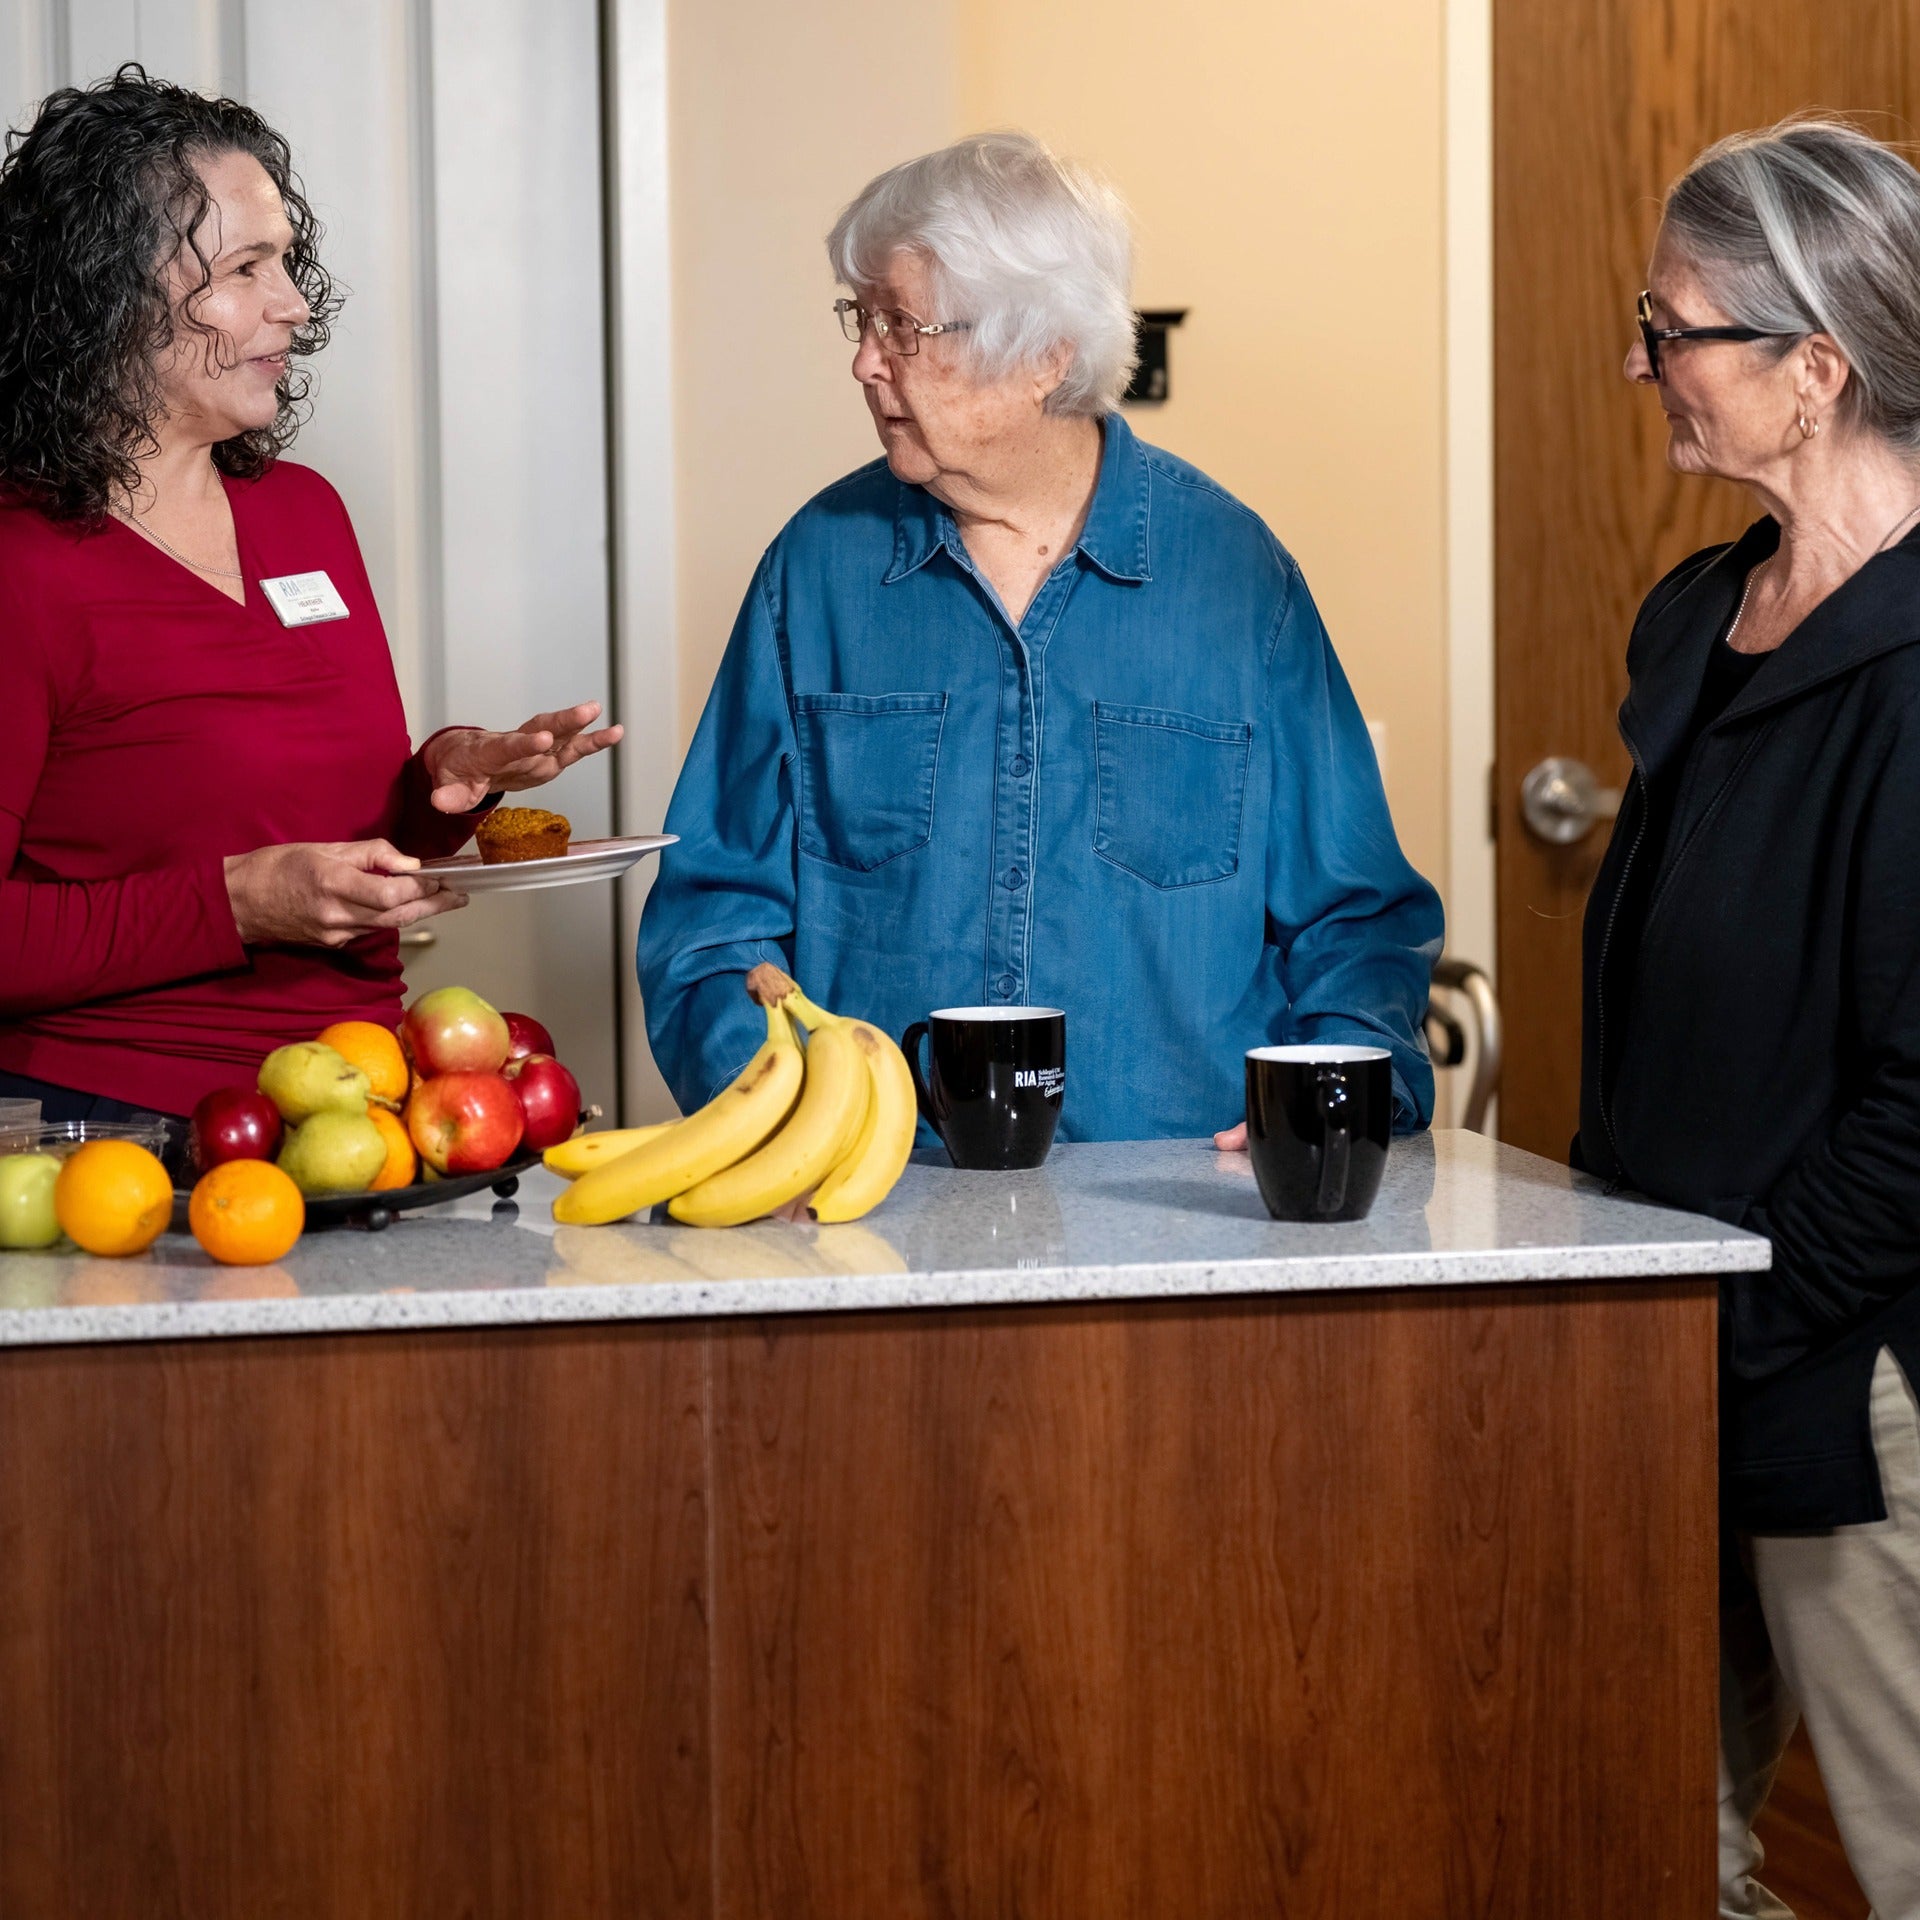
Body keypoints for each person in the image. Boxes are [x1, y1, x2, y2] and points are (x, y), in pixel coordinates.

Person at [638, 132, 1441, 1141]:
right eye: (862, 319)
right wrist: (766, 1125)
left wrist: (1325, 1108)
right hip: (871, 1212)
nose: (862, 360)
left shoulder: (1240, 581)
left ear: (1045, 356)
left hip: (1184, 1224)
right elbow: (711, 921)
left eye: (903, 326)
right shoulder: (815, 573)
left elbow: (1357, 922)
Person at [0, 68, 620, 1131]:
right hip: (113, 1137)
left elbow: (339, 848)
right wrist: (236, 904)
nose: (294, 303)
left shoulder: (303, 514)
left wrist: (444, 785)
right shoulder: (24, 564)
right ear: (107, 292)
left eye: (286, 260)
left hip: (356, 1110)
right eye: (247, 267)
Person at [1585, 118, 1920, 1916]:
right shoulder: (1702, 611)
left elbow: (1919, 1114)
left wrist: (1753, 1320)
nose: (1643, 366)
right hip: (1676, 1341)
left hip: (1849, 1379)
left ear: (1818, 365)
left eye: (1675, 329)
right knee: (1650, 1842)